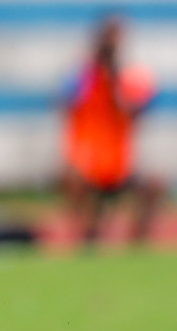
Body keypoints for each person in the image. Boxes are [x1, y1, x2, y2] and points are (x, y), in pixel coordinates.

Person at [59, 15, 162, 244]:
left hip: (119, 167)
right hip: (88, 166)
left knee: (155, 183)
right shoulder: (82, 76)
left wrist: (114, 78)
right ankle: (87, 235)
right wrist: (94, 73)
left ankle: (137, 241)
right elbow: (64, 101)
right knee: (71, 181)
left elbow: (137, 108)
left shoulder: (127, 77)